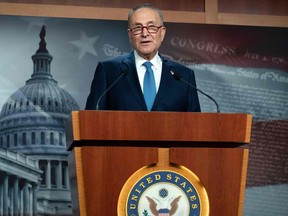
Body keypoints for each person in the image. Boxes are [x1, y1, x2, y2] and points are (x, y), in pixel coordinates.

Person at [85, 3, 201, 112]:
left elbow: (195, 126)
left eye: (151, 27)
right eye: (137, 28)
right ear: (130, 35)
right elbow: (91, 119)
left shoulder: (184, 76)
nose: (144, 33)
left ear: (162, 33)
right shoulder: (109, 71)